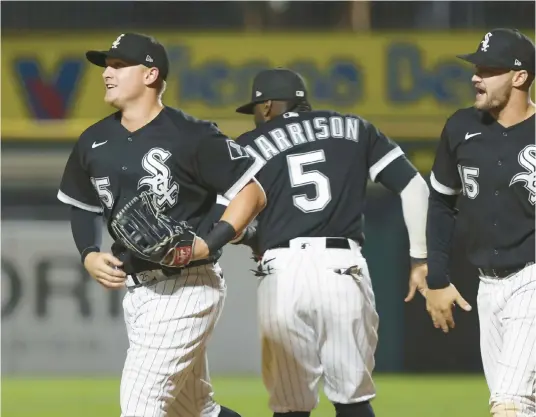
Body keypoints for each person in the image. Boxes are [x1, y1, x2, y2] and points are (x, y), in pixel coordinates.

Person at [56, 32, 266, 417]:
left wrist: (208, 241)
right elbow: (81, 205)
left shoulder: (192, 135)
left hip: (187, 283)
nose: (107, 73)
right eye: (106, 66)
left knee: (140, 406)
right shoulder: (94, 141)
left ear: (150, 74)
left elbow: (251, 193)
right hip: (138, 293)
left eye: (119, 65)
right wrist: (88, 253)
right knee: (197, 411)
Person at [232, 68, 430, 417]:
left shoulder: (248, 147)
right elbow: (415, 187)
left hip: (283, 273)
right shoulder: (355, 128)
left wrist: (247, 236)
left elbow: (233, 224)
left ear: (266, 107)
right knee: (352, 402)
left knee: (290, 406)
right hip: (342, 267)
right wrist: (419, 259)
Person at [425, 28, 535, 417]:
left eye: (489, 69)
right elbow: (440, 203)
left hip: (532, 278)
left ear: (519, 77)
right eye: (476, 67)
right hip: (487, 286)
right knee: (521, 404)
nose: (476, 76)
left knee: (509, 404)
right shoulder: (460, 128)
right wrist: (436, 276)